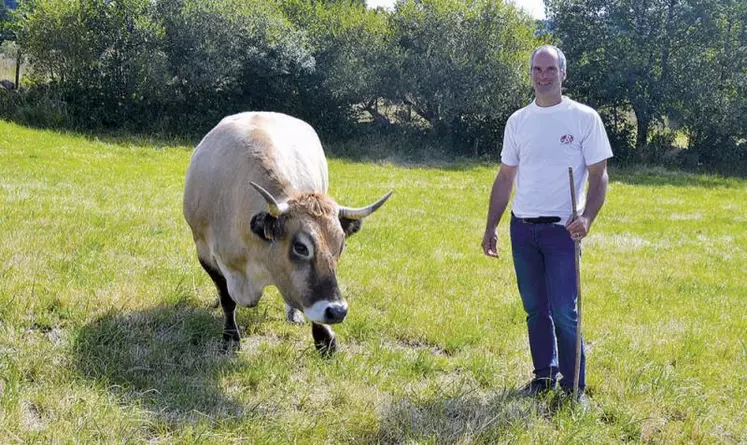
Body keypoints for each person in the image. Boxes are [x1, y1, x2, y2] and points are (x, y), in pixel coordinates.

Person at [481, 45, 613, 401]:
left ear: (563, 74)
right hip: (522, 228)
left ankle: (574, 388)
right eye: (537, 70)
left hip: (561, 231)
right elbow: (505, 177)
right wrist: (491, 225)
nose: (542, 76)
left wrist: (586, 217)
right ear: (530, 74)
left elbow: (600, 175)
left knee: (564, 312)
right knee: (535, 309)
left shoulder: (584, 118)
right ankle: (544, 376)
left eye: (550, 69)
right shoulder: (518, 121)